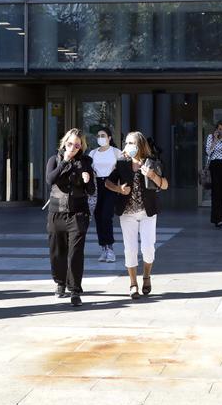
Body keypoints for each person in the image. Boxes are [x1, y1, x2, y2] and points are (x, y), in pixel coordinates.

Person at [106, 131, 169, 299]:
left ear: (140, 145)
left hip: (148, 211)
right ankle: (133, 283)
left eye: (132, 143)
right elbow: (108, 182)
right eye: (126, 143)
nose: (128, 146)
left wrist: (152, 175)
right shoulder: (121, 163)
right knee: (130, 249)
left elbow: (164, 185)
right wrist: (119, 189)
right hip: (127, 213)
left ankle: (146, 276)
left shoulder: (152, 162)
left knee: (148, 248)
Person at [46, 129, 96, 307]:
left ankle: (75, 290)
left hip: (78, 213)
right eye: (70, 144)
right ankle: (60, 282)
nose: (73, 147)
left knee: (75, 253)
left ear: (81, 146)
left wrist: (88, 179)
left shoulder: (86, 162)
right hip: (56, 212)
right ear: (64, 143)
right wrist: (65, 161)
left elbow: (91, 191)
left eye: (77, 145)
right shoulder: (55, 159)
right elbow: (49, 179)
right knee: (57, 252)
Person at [89, 127, 122, 263]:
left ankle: (110, 248)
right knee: (98, 216)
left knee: (106, 216)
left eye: (103, 135)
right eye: (98, 136)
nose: (100, 138)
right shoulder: (92, 153)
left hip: (111, 184)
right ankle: (103, 247)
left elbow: (122, 169)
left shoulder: (116, 152)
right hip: (97, 186)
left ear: (109, 138)